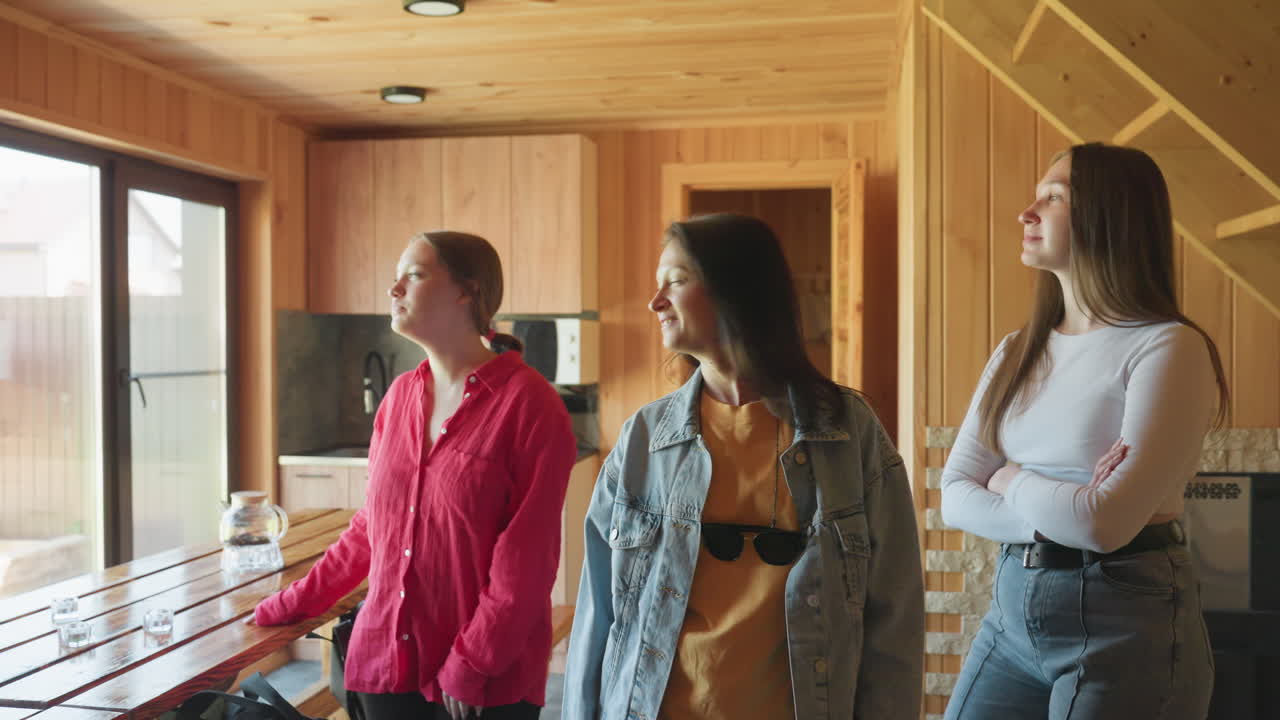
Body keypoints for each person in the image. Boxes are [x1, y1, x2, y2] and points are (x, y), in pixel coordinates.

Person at [561, 213, 924, 720]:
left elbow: (895, 622)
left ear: (736, 291)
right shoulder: (644, 439)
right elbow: (599, 613)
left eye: (677, 281)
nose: (655, 301)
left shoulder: (848, 433)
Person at [940, 143, 1229, 720]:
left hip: (1126, 621)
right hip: (1012, 613)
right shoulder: (1016, 352)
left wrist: (1011, 477)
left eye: (1053, 197)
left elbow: (1104, 522)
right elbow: (953, 496)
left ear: (1109, 216)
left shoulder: (1167, 347)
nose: (1027, 212)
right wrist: (1067, 508)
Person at [254, 231, 577, 720]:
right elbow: (372, 530)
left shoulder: (530, 405)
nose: (394, 289)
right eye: (397, 276)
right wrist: (294, 602)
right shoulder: (399, 398)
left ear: (465, 291)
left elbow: (526, 562)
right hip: (384, 667)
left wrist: (473, 661)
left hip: (480, 686)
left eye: (415, 274)